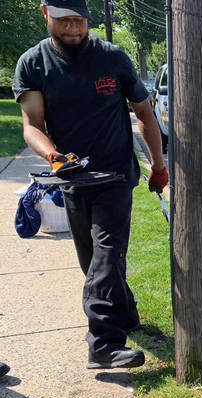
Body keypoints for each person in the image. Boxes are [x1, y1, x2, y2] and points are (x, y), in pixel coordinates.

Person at [13, 0, 168, 370]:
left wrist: (158, 166)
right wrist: (53, 155)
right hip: (72, 178)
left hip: (115, 176)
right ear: (44, 13)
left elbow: (144, 112)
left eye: (80, 21)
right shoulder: (33, 64)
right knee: (94, 263)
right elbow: (32, 124)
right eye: (64, 21)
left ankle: (103, 343)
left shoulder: (112, 58)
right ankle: (125, 315)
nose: (73, 29)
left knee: (107, 254)